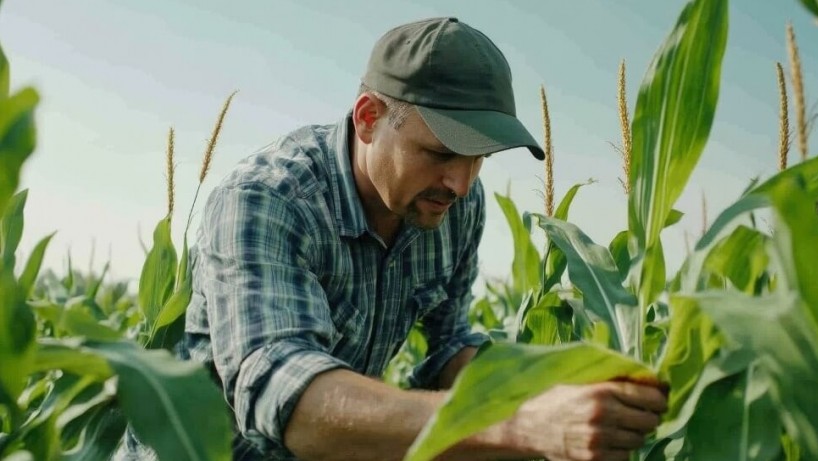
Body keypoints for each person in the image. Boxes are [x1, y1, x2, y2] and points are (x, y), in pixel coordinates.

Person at [116, 16, 668, 461]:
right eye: (442, 152)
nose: (461, 182)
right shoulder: (268, 201)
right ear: (368, 118)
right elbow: (284, 399)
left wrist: (545, 391)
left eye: (479, 157)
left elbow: (447, 345)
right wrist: (518, 426)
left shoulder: (452, 205)